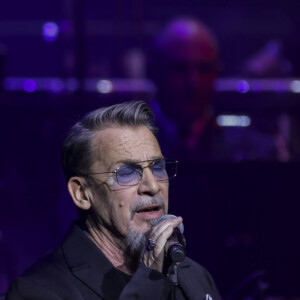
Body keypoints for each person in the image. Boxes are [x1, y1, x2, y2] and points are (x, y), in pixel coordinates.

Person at [6, 101, 220, 299]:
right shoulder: (39, 290)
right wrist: (149, 284)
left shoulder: (195, 276)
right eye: (127, 172)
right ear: (82, 193)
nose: (153, 186)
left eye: (157, 167)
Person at [149, 17, 278, 162]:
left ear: (217, 73)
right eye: (180, 68)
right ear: (155, 72)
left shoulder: (255, 152)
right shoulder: (123, 148)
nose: (193, 82)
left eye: (204, 69)